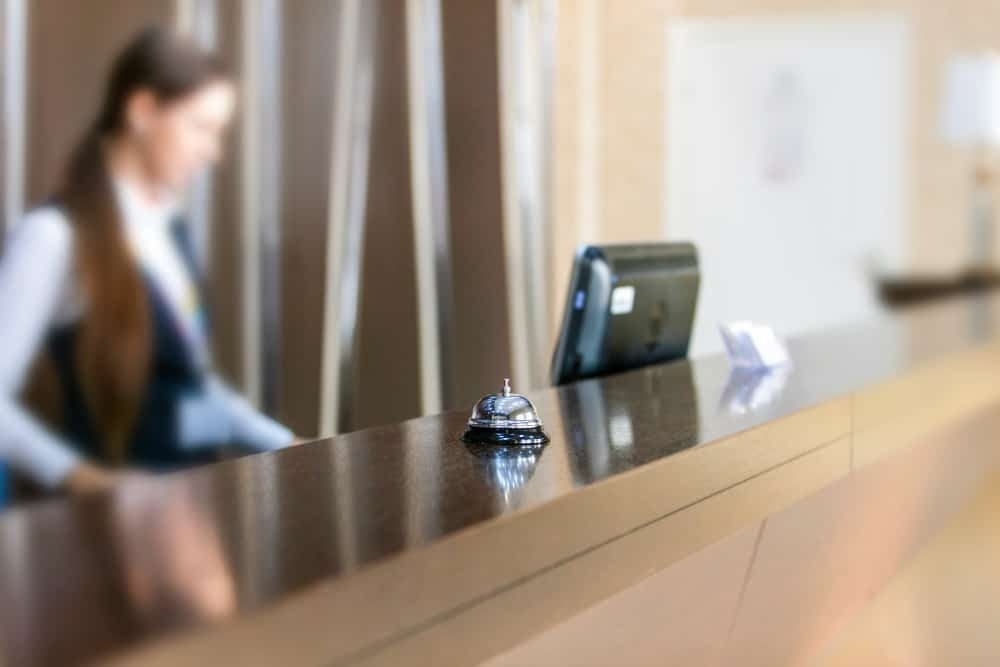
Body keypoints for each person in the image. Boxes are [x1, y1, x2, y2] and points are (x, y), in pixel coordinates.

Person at [0, 27, 293, 496]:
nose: (213, 154)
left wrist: (283, 444)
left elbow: (185, 401)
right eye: (201, 127)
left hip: (184, 510)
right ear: (142, 111)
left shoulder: (166, 234)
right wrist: (85, 479)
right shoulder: (53, 238)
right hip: (100, 534)